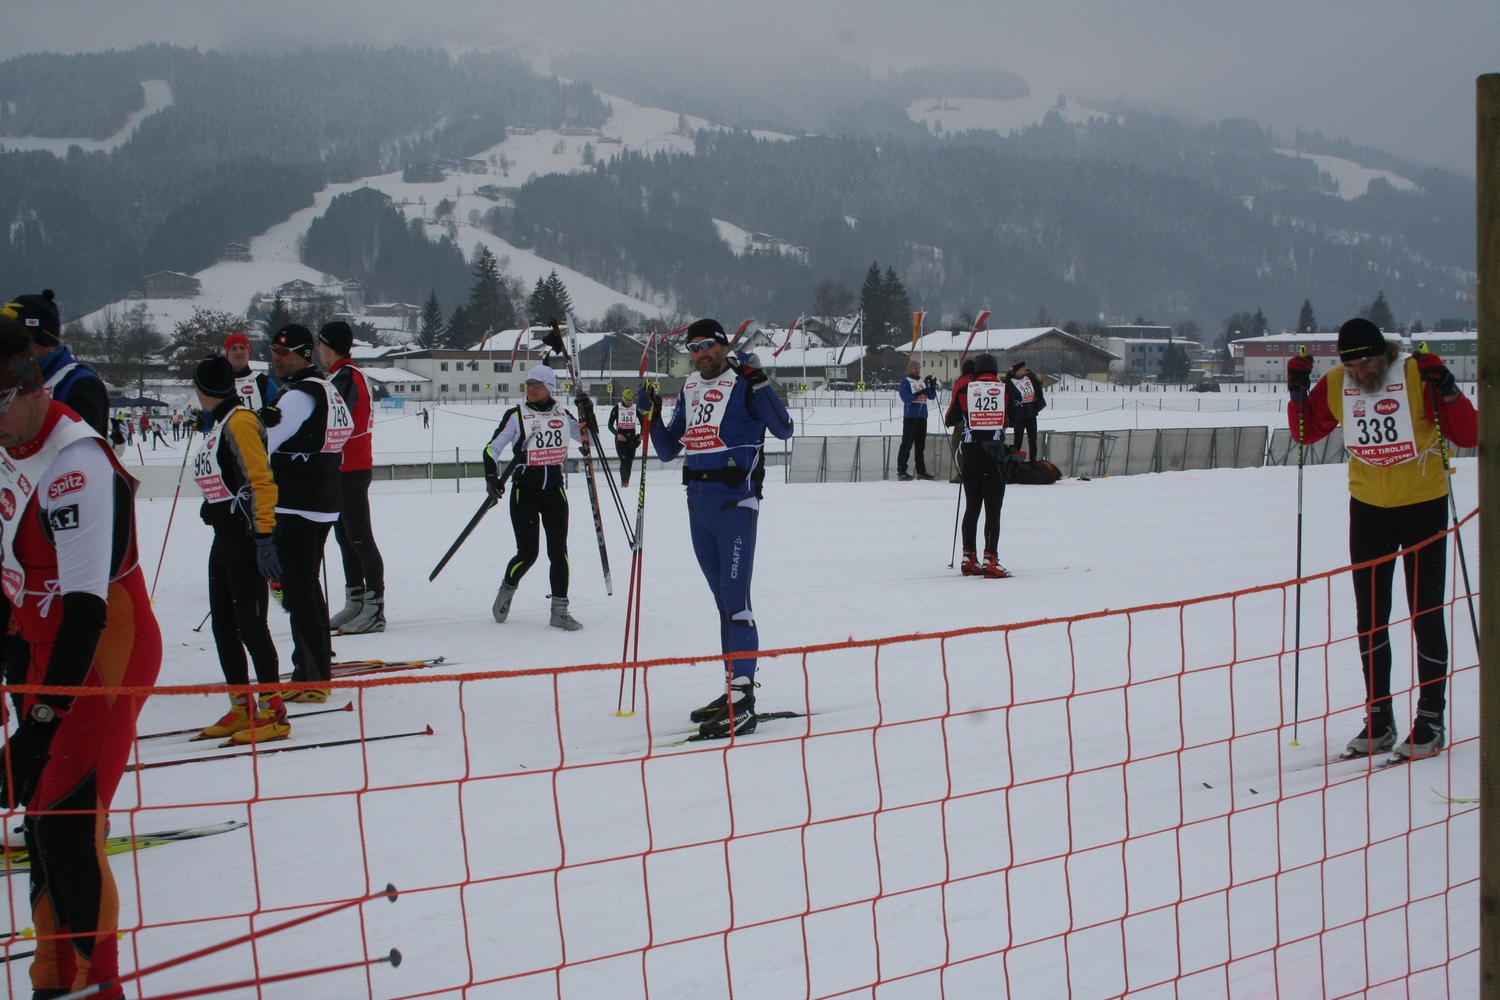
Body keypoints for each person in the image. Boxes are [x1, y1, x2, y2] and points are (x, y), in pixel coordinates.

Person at [0, 316, 161, 998]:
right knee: (39, 824)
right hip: (41, 642)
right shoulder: (11, 443)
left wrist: (39, 725)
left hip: (101, 651)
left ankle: (101, 984)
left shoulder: (77, 465)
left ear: (28, 387)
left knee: (67, 825)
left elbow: (85, 612)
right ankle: (53, 975)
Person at [1288, 318, 1477, 760]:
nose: (1362, 372)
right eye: (1353, 365)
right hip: (1368, 508)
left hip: (1422, 504)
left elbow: (1468, 434)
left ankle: (1430, 718)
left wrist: (1447, 388)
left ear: (1384, 352)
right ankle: (1379, 717)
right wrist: (1297, 393)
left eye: (1368, 362)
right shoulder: (1338, 383)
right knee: (1370, 617)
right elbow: (1306, 433)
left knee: (1425, 613)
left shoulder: (1414, 375)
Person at [646, 318, 795, 738]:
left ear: (723, 345)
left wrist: (761, 382)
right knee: (722, 604)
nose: (700, 354)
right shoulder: (690, 387)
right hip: (698, 504)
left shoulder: (745, 383)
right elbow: (667, 450)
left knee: (736, 603)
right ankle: (732, 688)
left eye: (707, 345)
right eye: (693, 348)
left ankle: (743, 700)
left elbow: (784, 429)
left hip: (735, 505)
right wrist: (651, 415)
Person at [189, 356, 285, 742]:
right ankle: (240, 705)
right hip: (225, 537)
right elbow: (227, 475)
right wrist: (212, 504)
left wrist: (265, 537)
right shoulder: (220, 423)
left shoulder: (240, 421)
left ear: (202, 390)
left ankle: (274, 710)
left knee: (251, 626)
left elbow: (260, 479)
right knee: (225, 626)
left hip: (246, 538)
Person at [264, 324, 350, 703]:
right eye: (273, 351)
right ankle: (314, 667)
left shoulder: (299, 395)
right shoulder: (325, 388)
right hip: (321, 499)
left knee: (298, 591)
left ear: (304, 354)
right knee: (305, 587)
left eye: (283, 353)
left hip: (297, 503)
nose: (276, 358)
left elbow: (263, 442)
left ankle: (313, 676)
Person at [483, 364, 587, 630]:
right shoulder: (516, 415)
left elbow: (590, 441)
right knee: (528, 554)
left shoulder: (562, 415)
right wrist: (492, 478)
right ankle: (508, 587)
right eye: (528, 384)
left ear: (549, 387)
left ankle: (559, 611)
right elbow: (492, 449)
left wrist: (588, 415)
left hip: (554, 491)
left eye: (536, 384)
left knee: (559, 552)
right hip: (524, 492)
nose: (531, 388)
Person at [317, 322, 386, 634]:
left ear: (328, 346)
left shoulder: (346, 376)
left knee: (360, 538)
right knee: (346, 539)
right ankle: (355, 601)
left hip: (351, 467)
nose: (318, 350)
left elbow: (334, 421)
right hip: (343, 468)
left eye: (320, 344)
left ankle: (375, 608)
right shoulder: (342, 374)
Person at [2, 289, 109, 437]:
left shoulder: (78, 383)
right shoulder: (14, 377)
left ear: (40, 342)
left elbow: (83, 443)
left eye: (12, 343)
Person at [945, 352, 1011, 579]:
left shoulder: (966, 388)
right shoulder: (1004, 389)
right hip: (994, 453)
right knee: (993, 509)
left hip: (970, 452)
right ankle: (990, 560)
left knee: (972, 507)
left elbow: (950, 419)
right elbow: (1012, 418)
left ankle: (968, 558)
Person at [896, 359, 937, 481]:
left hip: (922, 416)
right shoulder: (905, 382)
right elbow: (905, 398)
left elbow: (932, 396)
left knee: (920, 445)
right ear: (910, 370)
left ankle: (921, 471)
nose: (916, 370)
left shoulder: (922, 381)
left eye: (918, 368)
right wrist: (918, 394)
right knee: (907, 443)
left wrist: (932, 387)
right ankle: (902, 469)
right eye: (914, 369)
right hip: (911, 416)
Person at [225, 330, 277, 412]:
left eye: (242, 348)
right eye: (233, 348)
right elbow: (208, 414)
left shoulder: (263, 381)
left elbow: (277, 409)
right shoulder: (218, 383)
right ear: (227, 354)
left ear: (249, 352)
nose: (238, 352)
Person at [1005, 358, 1046, 459]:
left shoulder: (1029, 377)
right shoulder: (1009, 383)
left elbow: (1036, 389)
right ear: (1018, 369)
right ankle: (1016, 462)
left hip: (1032, 414)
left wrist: (1040, 382)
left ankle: (1033, 462)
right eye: (1024, 367)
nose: (1026, 368)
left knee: (1033, 442)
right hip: (1019, 416)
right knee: (1017, 442)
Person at [608, 387, 644, 487]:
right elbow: (610, 425)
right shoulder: (617, 408)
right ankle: (624, 481)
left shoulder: (635, 408)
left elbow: (643, 422)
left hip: (632, 439)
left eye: (631, 400)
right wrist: (617, 434)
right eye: (628, 400)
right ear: (623, 398)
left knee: (630, 461)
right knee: (624, 460)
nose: (630, 402)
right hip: (621, 439)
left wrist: (641, 434)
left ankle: (627, 481)